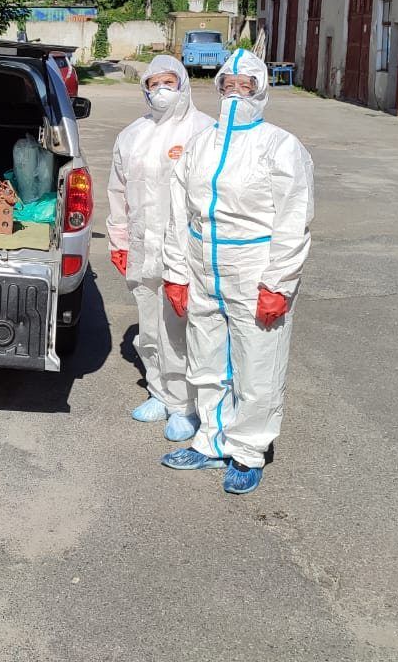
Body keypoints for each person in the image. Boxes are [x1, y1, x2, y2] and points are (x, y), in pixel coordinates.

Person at [158, 49, 313, 494]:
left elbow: (294, 218)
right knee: (205, 357)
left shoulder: (281, 147)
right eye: (228, 86)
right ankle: (210, 439)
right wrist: (176, 272)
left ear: (261, 92)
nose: (235, 94)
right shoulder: (200, 144)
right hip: (203, 261)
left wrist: (278, 283)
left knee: (256, 363)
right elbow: (177, 213)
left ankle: (247, 450)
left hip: (254, 267)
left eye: (246, 87)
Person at [106, 55, 213, 441]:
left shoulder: (204, 131)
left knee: (183, 330)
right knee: (149, 327)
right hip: (142, 245)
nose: (162, 90)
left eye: (169, 81)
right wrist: (118, 239)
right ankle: (160, 393)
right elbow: (119, 191)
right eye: (154, 83)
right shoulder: (132, 134)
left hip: (185, 251)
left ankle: (187, 406)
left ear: (183, 84)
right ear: (145, 89)